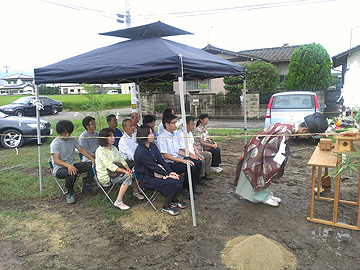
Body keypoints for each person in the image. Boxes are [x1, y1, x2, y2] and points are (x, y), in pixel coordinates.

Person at [233, 112, 328, 207]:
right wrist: (277, 163)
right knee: (259, 173)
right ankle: (260, 197)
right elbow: (274, 151)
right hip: (259, 150)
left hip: (262, 148)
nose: (307, 138)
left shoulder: (290, 127)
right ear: (304, 130)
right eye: (308, 135)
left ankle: (266, 194)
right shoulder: (286, 132)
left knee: (263, 173)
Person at [134, 125, 186, 216]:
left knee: (179, 178)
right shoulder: (140, 151)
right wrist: (166, 174)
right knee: (173, 182)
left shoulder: (153, 146)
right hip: (147, 178)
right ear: (143, 135)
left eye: (152, 132)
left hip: (156, 173)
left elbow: (161, 161)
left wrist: (171, 172)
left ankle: (173, 200)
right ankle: (166, 207)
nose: (152, 135)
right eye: (149, 133)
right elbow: (153, 166)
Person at [95, 128, 144, 210]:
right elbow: (111, 166)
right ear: (104, 138)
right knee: (128, 176)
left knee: (133, 170)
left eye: (113, 135)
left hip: (114, 172)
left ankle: (135, 191)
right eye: (110, 136)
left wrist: (128, 169)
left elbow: (121, 159)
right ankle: (118, 201)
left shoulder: (113, 148)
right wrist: (125, 171)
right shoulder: (100, 151)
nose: (113, 138)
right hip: (106, 176)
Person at [50, 120, 97, 204]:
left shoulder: (72, 139)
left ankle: (87, 184)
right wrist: (68, 166)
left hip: (72, 165)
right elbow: (56, 160)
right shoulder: (55, 144)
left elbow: (81, 149)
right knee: (71, 171)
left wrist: (91, 158)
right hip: (60, 169)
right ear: (60, 132)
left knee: (92, 165)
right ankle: (69, 192)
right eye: (65, 133)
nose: (67, 135)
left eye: (69, 133)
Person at [157, 114, 203, 199]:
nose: (176, 125)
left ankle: (192, 185)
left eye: (175, 122)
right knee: (190, 166)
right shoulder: (162, 137)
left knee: (196, 161)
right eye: (173, 123)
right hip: (169, 163)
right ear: (167, 125)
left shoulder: (174, 134)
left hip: (177, 159)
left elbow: (178, 151)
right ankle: (185, 188)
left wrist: (190, 155)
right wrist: (182, 160)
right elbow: (165, 155)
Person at [176, 116, 212, 183]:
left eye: (194, 124)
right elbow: (182, 148)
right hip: (186, 154)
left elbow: (193, 144)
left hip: (193, 152)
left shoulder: (189, 133)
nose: (193, 126)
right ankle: (198, 177)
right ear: (186, 124)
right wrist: (193, 155)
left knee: (208, 154)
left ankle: (204, 174)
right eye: (192, 124)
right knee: (201, 158)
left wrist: (197, 153)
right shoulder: (180, 134)